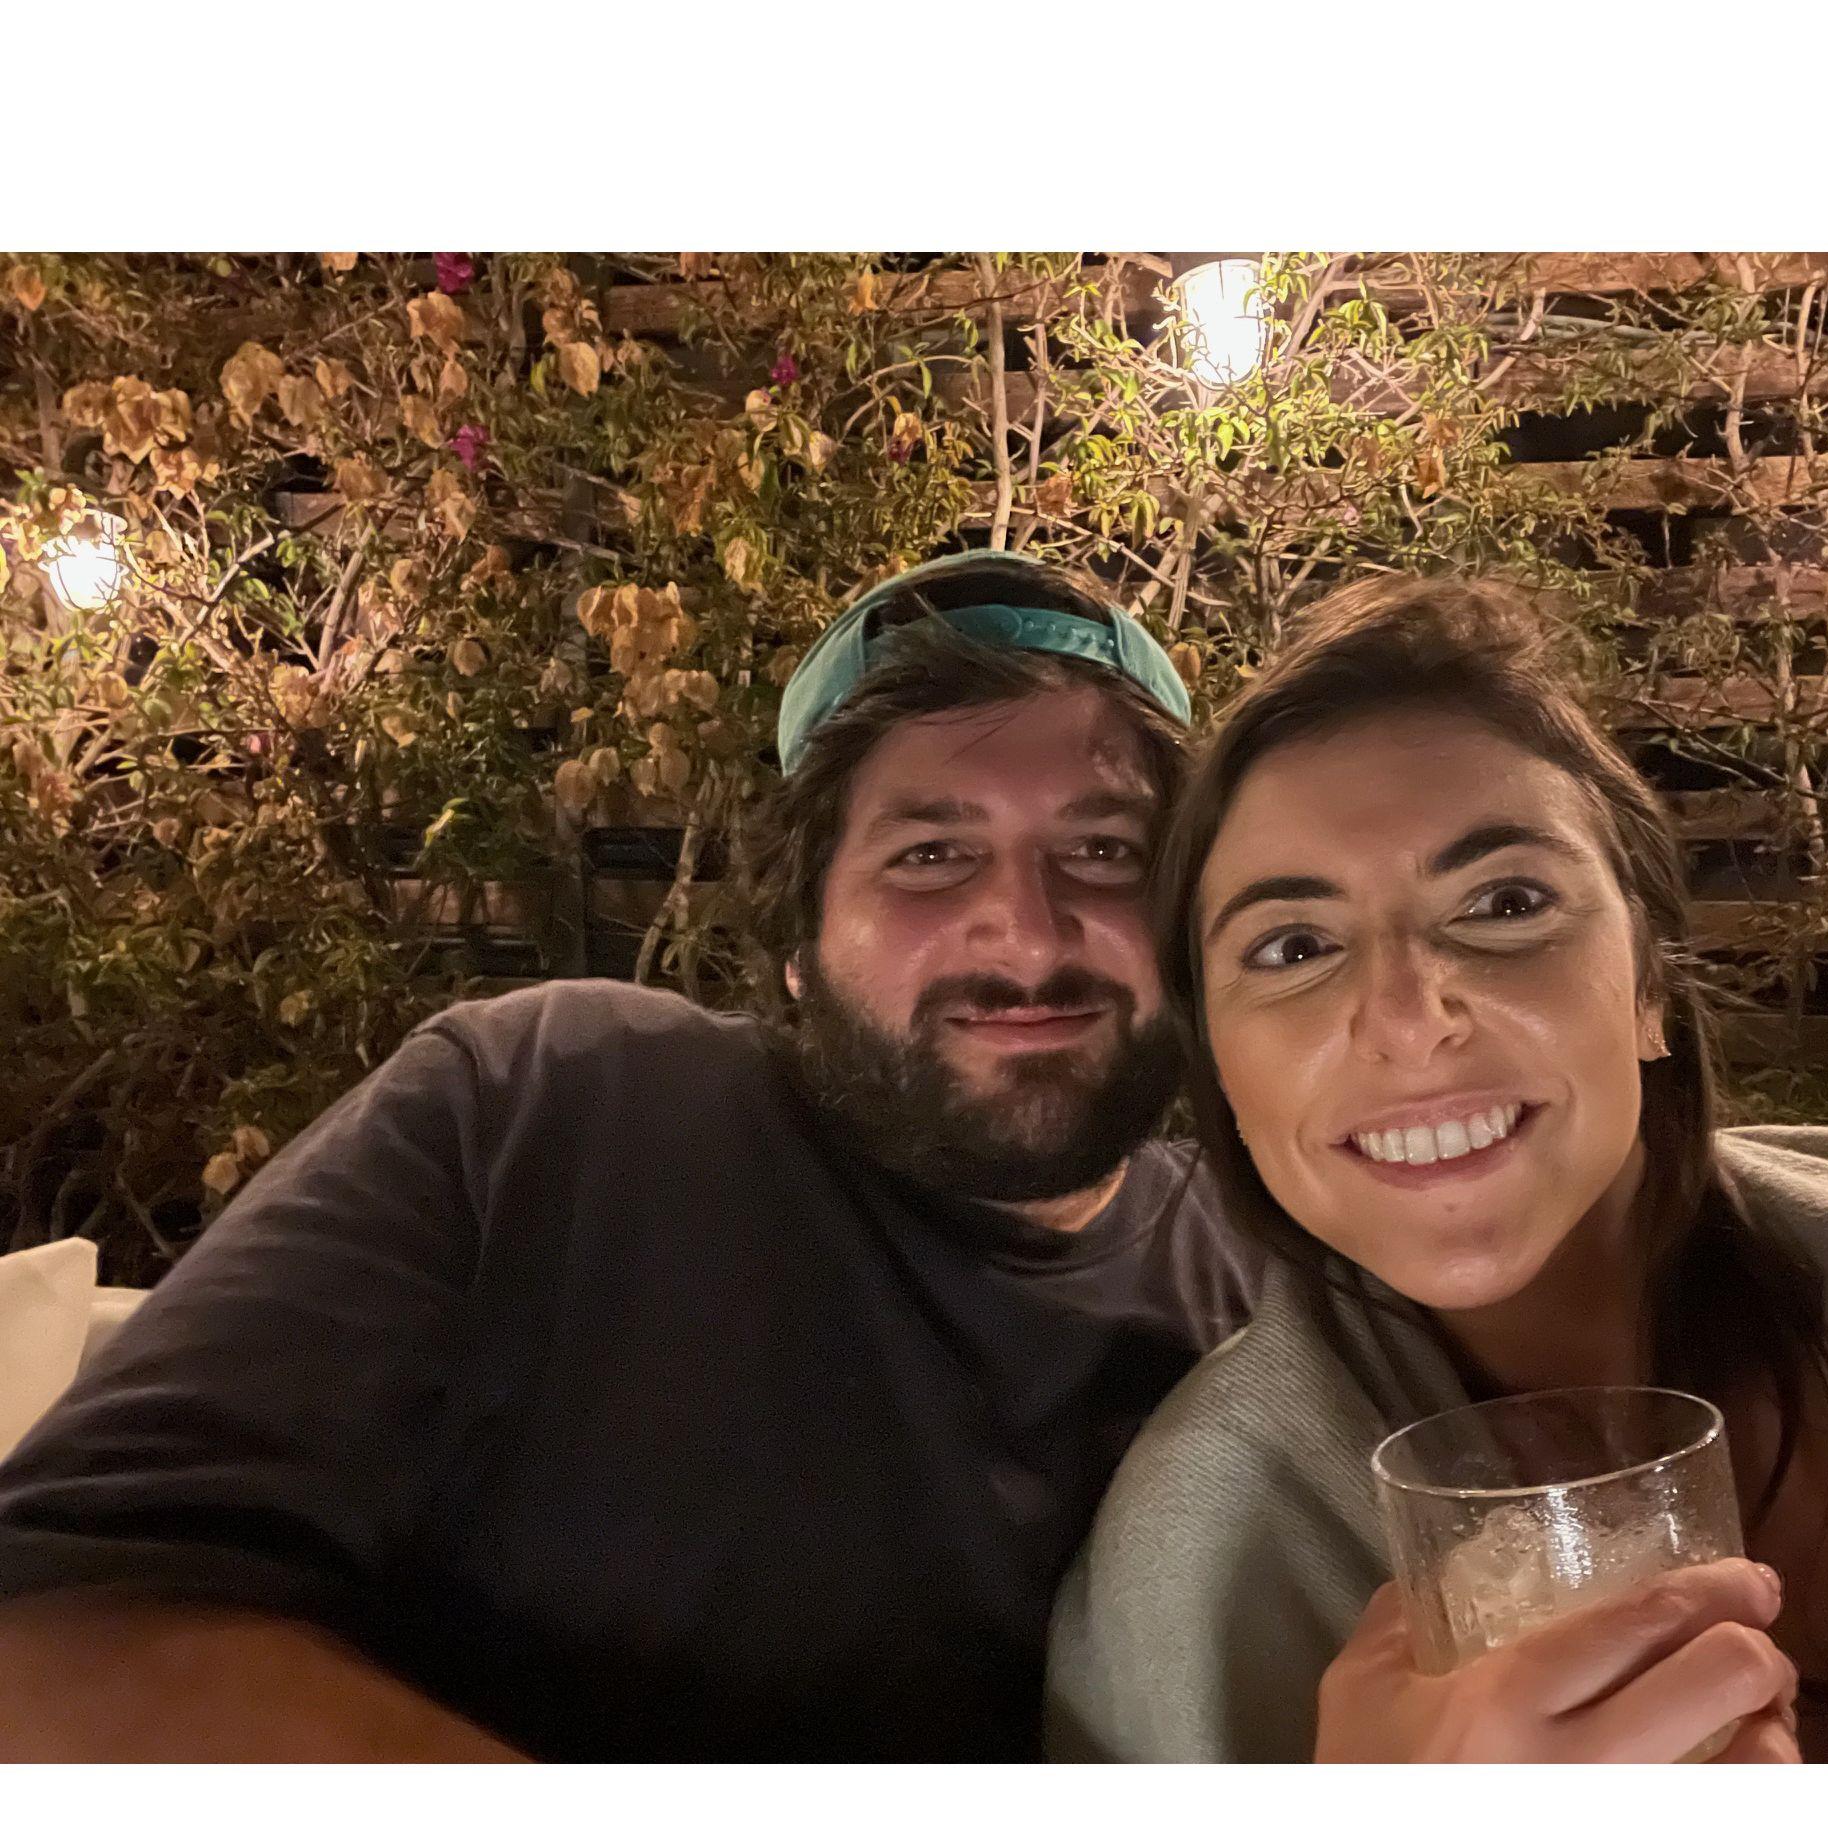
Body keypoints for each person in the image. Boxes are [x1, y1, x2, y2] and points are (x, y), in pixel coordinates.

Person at [0, 549, 1263, 1762]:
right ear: (797, 945)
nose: (1028, 934)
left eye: (1105, 851)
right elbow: (52, 1646)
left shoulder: (1275, 1274)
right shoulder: (552, 1114)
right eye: (929, 855)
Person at [1049, 573, 1828, 1764]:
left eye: (1503, 903)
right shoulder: (1199, 1553)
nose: (1409, 1018)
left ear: (1650, 984)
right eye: (1294, 947)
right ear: (1222, 1076)